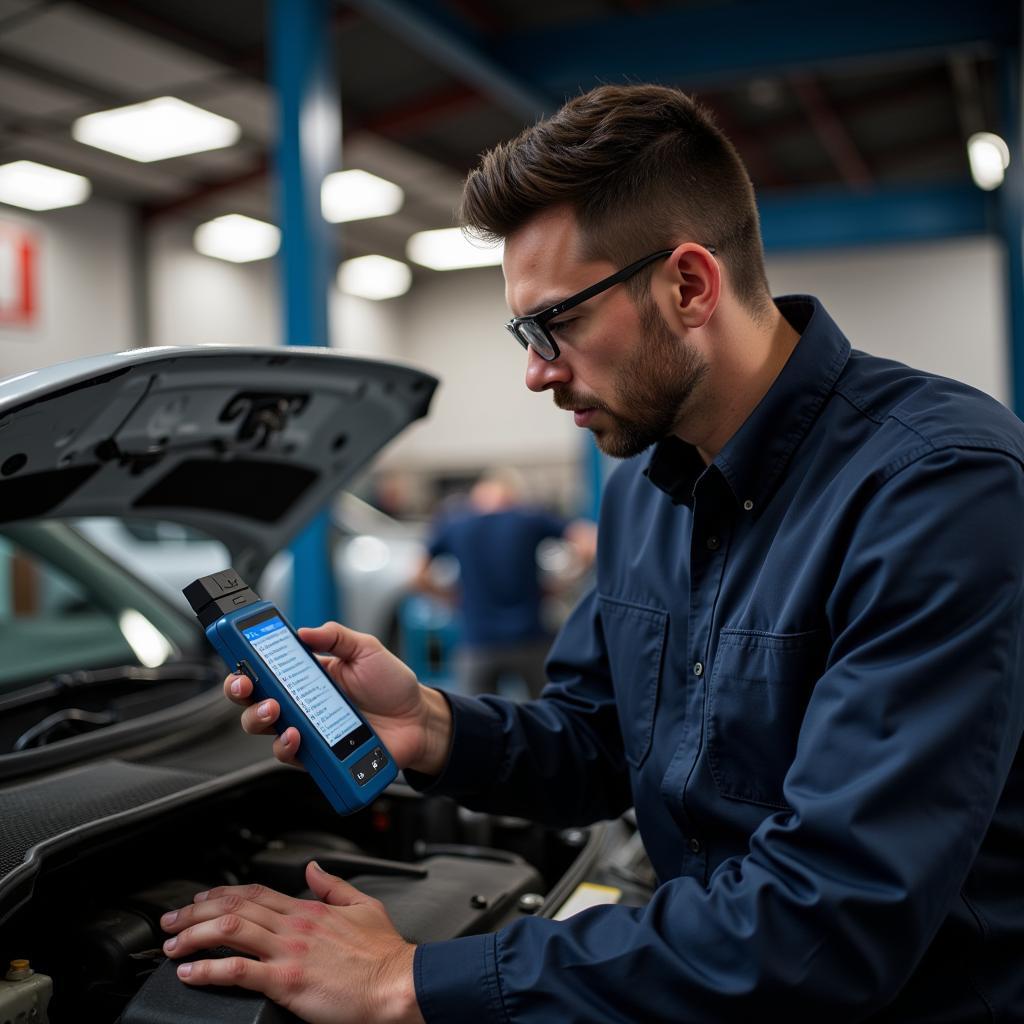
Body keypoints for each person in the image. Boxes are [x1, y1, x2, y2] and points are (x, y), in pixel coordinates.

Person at [158, 84, 1024, 1022]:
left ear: (689, 285)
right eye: (522, 333)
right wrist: (434, 725)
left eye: (556, 323)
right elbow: (607, 740)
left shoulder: (939, 486)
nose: (536, 370)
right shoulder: (646, 493)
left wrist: (403, 980)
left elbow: (831, 917)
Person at [412, 468, 596, 698]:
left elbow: (416, 574)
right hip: (530, 641)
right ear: (510, 495)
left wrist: (450, 597)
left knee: (478, 722)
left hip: (477, 644)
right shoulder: (529, 518)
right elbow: (588, 542)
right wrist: (564, 583)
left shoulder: (456, 525)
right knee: (547, 716)